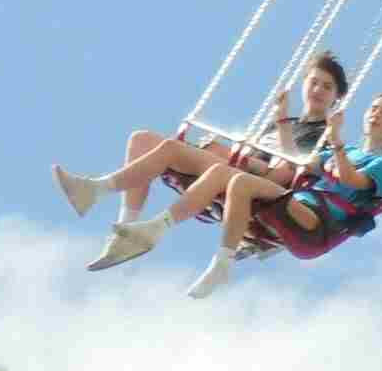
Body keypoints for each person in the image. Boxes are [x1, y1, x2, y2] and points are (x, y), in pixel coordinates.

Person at [60, 52, 342, 267]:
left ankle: (95, 190)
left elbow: (283, 177)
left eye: (326, 87)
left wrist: (247, 150)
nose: (317, 90)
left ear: (336, 98)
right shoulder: (286, 122)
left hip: (247, 186)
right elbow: (258, 157)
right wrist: (229, 150)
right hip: (229, 167)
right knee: (141, 140)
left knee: (170, 148)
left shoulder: (321, 136)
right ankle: (124, 228)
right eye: (314, 82)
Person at [188, 82, 382, 297]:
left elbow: (349, 179)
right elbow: (298, 163)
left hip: (318, 222)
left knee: (242, 183)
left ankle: (221, 264)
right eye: (373, 109)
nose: (376, 115)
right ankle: (219, 258)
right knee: (236, 178)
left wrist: (334, 140)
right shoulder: (350, 150)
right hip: (296, 201)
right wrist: (279, 122)